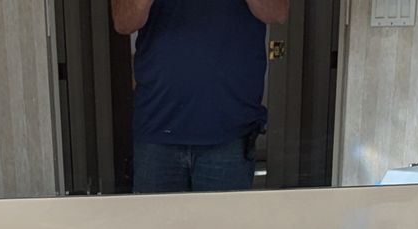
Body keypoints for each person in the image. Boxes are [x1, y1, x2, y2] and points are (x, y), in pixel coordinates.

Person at [112, 0, 289, 193]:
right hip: (158, 126)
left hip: (229, 130)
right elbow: (123, 22)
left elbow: (276, 12)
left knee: (223, 215)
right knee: (156, 215)